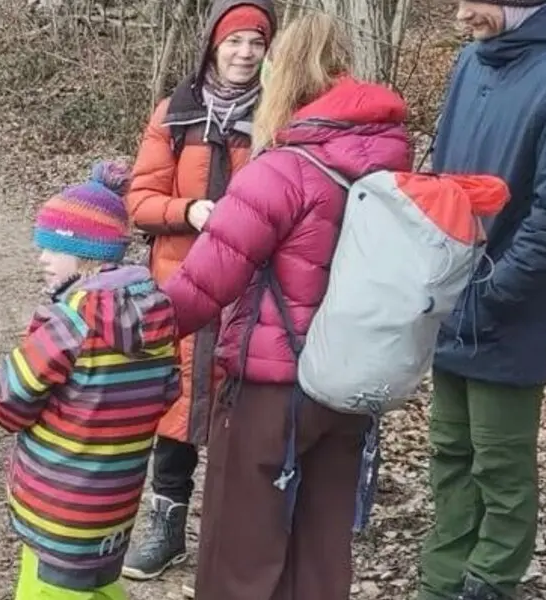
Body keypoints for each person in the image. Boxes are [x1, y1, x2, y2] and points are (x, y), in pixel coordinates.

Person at [159, 13, 409, 599]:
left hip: (272, 391)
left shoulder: (281, 171)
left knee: (239, 555)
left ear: (286, 76)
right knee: (320, 554)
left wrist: (123, 326)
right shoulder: (390, 166)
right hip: (349, 384)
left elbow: (203, 284)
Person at [422, 0, 546, 598]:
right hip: (448, 293)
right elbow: (444, 182)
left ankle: (488, 585)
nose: (459, 16)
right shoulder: (471, 64)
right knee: (450, 453)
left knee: (499, 466)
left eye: (471, 3)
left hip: (511, 305)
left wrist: (497, 289)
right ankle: (440, 581)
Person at [118, 0, 273, 581]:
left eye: (255, 44)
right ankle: (166, 525)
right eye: (234, 42)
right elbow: (140, 201)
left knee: (242, 408)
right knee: (177, 403)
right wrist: (192, 210)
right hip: (182, 284)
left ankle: (234, 536)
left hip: (252, 288)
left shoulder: (279, 115)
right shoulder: (176, 113)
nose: (244, 54)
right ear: (213, 45)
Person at [0, 161, 182, 600]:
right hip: (114, 502)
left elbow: (6, 401)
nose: (42, 258)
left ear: (86, 255)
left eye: (52, 248)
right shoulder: (158, 314)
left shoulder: (69, 321)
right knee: (100, 582)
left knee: (47, 589)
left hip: (58, 501)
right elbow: (170, 388)